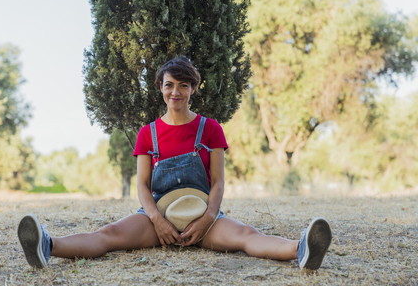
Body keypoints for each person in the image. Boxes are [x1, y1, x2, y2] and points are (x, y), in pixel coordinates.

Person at [17, 56, 332, 271]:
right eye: (169, 85)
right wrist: (157, 220)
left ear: (193, 88)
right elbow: (142, 186)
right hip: (157, 219)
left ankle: (302, 249)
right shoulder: (147, 134)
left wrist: (209, 217)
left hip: (204, 219)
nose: (176, 91)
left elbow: (219, 181)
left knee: (246, 236)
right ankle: (47, 245)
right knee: (110, 234)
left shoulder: (210, 129)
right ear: (161, 88)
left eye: (183, 85)